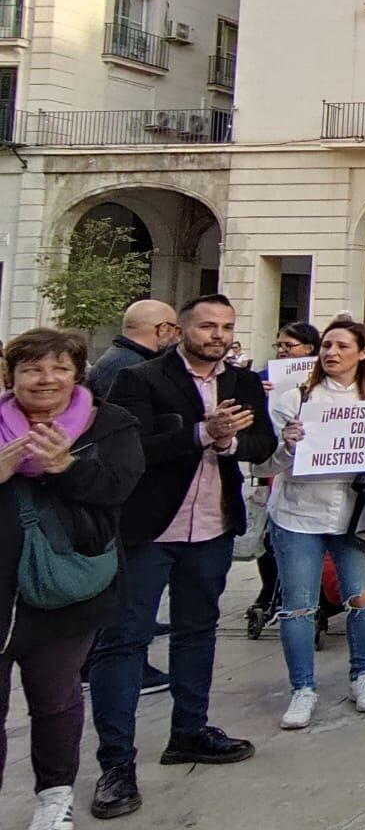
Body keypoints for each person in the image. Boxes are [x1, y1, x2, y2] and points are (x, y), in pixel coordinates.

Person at [90, 294, 274, 821]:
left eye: (226, 327)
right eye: (207, 326)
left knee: (199, 632)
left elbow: (260, 443)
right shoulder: (140, 380)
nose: (217, 335)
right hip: (150, 530)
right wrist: (201, 433)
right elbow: (131, 449)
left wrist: (229, 446)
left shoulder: (240, 382)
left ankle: (190, 731)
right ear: (179, 330)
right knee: (124, 641)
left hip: (211, 528)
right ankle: (117, 763)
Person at [0, 329, 144, 830]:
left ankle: (54, 795)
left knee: (56, 699)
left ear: (77, 373)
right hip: (1, 592)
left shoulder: (109, 424)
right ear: (11, 377)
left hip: (67, 590)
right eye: (31, 369)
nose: (46, 379)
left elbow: (117, 490)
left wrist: (65, 466)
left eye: (59, 367)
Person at [266, 320, 365, 731]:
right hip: (298, 513)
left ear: (362, 353)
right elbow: (264, 464)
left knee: (362, 596)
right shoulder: (293, 400)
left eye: (342, 346)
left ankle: (361, 675)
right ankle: (302, 688)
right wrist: (287, 445)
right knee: (299, 606)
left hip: (355, 517)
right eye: (326, 345)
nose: (331, 353)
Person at [247, 323, 322, 637]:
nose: (281, 350)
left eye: (289, 345)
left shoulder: (327, 379)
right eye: (279, 344)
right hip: (280, 468)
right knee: (270, 538)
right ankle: (271, 589)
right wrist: (255, 394)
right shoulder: (265, 377)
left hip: (319, 474)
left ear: (308, 348)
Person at [85, 300, 178, 399]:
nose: (176, 336)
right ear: (163, 328)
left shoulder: (121, 359)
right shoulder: (127, 366)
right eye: (175, 329)